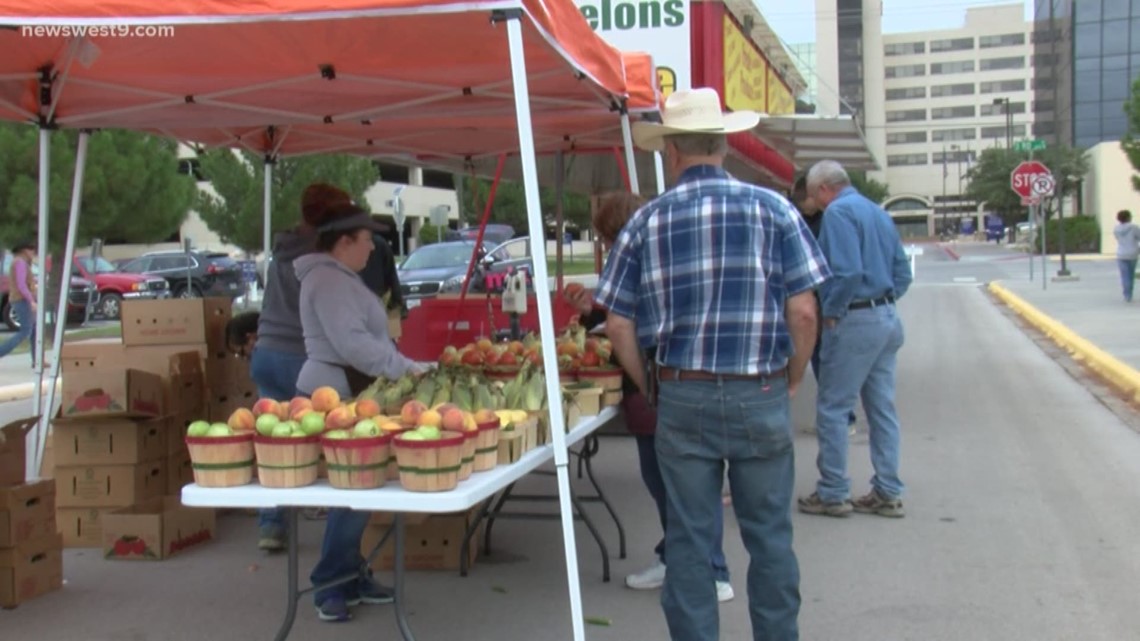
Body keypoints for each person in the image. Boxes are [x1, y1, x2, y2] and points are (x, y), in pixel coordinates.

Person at [594, 87, 828, 641]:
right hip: (760, 389)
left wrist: (651, 385)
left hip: (682, 392)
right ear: (723, 145)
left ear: (672, 151)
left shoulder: (645, 222)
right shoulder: (775, 209)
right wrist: (795, 376)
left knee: (689, 542)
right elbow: (804, 311)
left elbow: (618, 324)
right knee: (770, 539)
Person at [565, 191, 734, 604]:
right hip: (679, 383)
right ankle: (679, 558)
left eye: (606, 238)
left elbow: (625, 325)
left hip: (660, 384)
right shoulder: (668, 258)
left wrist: (642, 381)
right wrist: (592, 313)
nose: (606, 246)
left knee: (679, 485)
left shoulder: (642, 263)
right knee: (679, 484)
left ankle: (710, 569)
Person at [294, 201, 426, 623]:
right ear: (344, 242)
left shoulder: (338, 278)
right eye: (367, 240)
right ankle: (330, 581)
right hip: (333, 396)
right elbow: (354, 345)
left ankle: (349, 575)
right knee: (350, 494)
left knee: (358, 492)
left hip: (348, 394)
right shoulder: (329, 282)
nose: (373, 248)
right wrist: (407, 368)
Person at [798, 160, 911, 519]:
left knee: (833, 408)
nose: (814, 203)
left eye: (813, 195)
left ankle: (833, 492)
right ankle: (888, 491)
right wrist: (883, 301)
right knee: (882, 410)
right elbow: (902, 273)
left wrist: (832, 311)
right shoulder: (878, 213)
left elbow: (847, 273)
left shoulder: (838, 213)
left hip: (854, 318)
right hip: (886, 316)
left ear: (824, 189)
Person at [249, 183, 352, 552]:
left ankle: (271, 525)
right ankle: (337, 527)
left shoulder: (283, 248)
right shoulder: (324, 256)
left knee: (274, 440)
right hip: (302, 356)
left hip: (266, 351)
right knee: (337, 438)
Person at [791, 177, 857, 432]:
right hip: (809, 298)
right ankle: (838, 418)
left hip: (823, 301)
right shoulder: (797, 218)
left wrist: (832, 308)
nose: (805, 205)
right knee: (817, 360)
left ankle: (842, 419)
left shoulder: (830, 219)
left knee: (828, 363)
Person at [0, 242, 39, 366]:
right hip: (21, 300)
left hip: (21, 299)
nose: (33, 252)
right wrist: (31, 301)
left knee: (35, 330)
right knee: (25, 331)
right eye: (31, 249)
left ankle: (37, 360)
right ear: (24, 250)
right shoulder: (20, 263)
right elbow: (21, 285)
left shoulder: (21, 262)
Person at [1114, 210, 1140, 302]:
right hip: (1133, 253)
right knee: (1131, 275)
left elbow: (1118, 239)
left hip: (1121, 254)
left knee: (1124, 275)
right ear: (1128, 217)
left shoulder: (1116, 229)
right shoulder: (1134, 227)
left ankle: (1126, 294)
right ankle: (1130, 293)